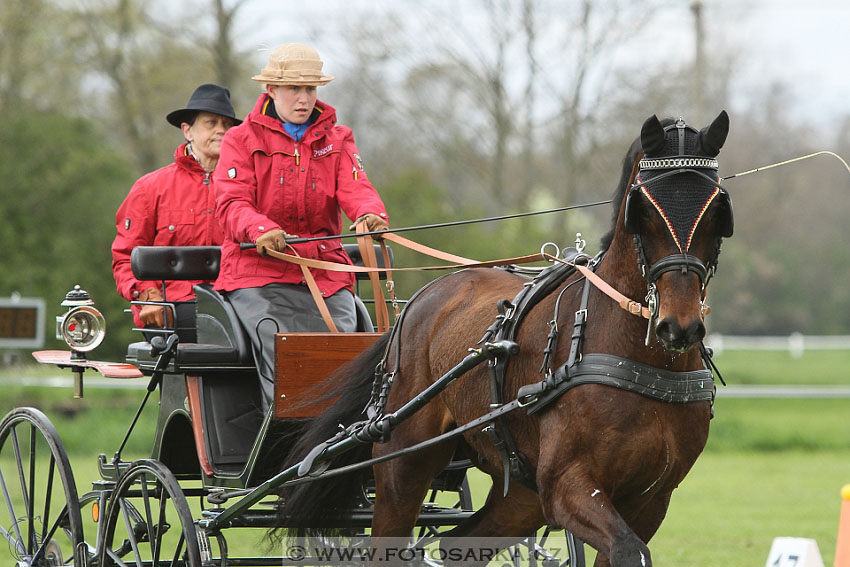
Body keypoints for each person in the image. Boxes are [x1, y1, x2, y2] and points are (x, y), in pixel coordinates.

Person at [212, 43, 389, 409]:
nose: (304, 98)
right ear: (271, 91)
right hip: (256, 274)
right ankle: (286, 439)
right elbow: (231, 203)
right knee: (285, 347)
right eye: (294, 88)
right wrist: (260, 230)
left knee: (346, 350)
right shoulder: (240, 139)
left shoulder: (338, 139)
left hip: (325, 274)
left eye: (311, 89)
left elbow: (356, 188)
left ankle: (350, 438)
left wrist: (369, 214)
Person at [112, 83, 241, 342]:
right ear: (187, 130)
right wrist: (147, 296)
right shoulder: (149, 188)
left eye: (227, 125)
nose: (221, 131)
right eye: (211, 122)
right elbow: (125, 258)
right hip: (169, 307)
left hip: (235, 304)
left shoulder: (247, 186)